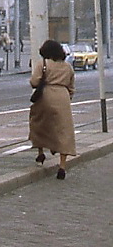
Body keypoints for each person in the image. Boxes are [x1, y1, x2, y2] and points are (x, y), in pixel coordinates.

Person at [29, 39, 76, 179]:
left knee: (39, 123)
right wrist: (67, 97)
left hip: (45, 96)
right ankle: (62, 166)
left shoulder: (43, 64)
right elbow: (72, 87)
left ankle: (40, 153)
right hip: (63, 97)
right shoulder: (68, 67)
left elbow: (34, 82)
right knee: (64, 130)